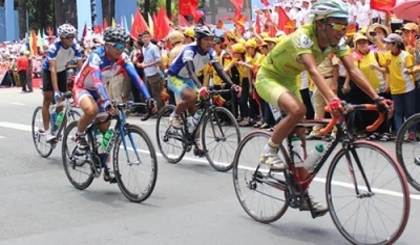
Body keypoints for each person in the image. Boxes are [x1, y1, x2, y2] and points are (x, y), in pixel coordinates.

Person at [254, 0, 391, 214]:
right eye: (337, 25)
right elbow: (313, 71)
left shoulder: (336, 42)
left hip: (289, 79)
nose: (342, 31)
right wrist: (332, 99)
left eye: (345, 26)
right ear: (320, 23)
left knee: (300, 133)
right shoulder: (304, 36)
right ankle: (269, 150)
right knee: (298, 110)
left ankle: (301, 193)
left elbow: (353, 70)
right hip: (268, 77)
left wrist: (377, 98)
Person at [72, 27, 155, 182]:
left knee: (106, 131)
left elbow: (136, 78)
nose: (121, 49)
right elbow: (96, 81)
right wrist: (106, 102)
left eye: (123, 45)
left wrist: (148, 97)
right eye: (117, 46)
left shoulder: (123, 57)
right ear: (107, 45)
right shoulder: (96, 57)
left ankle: (107, 168)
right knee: (92, 111)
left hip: (99, 90)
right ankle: (78, 135)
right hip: (83, 87)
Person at [167, 25, 241, 155]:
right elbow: (190, 71)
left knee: (196, 114)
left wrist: (231, 84)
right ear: (199, 40)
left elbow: (219, 69)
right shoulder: (189, 50)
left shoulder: (210, 53)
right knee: (191, 97)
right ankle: (175, 114)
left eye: (212, 39)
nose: (210, 42)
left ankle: (196, 141)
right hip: (175, 77)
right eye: (207, 39)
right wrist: (200, 87)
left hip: (189, 79)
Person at [41, 23, 83, 141]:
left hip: (62, 70)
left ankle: (55, 125)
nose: (71, 40)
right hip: (49, 71)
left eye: (72, 37)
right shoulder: (54, 48)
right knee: (48, 100)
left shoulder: (76, 47)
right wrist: (55, 90)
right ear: (61, 38)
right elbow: (53, 70)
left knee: (61, 102)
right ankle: (47, 131)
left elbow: (81, 68)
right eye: (68, 37)